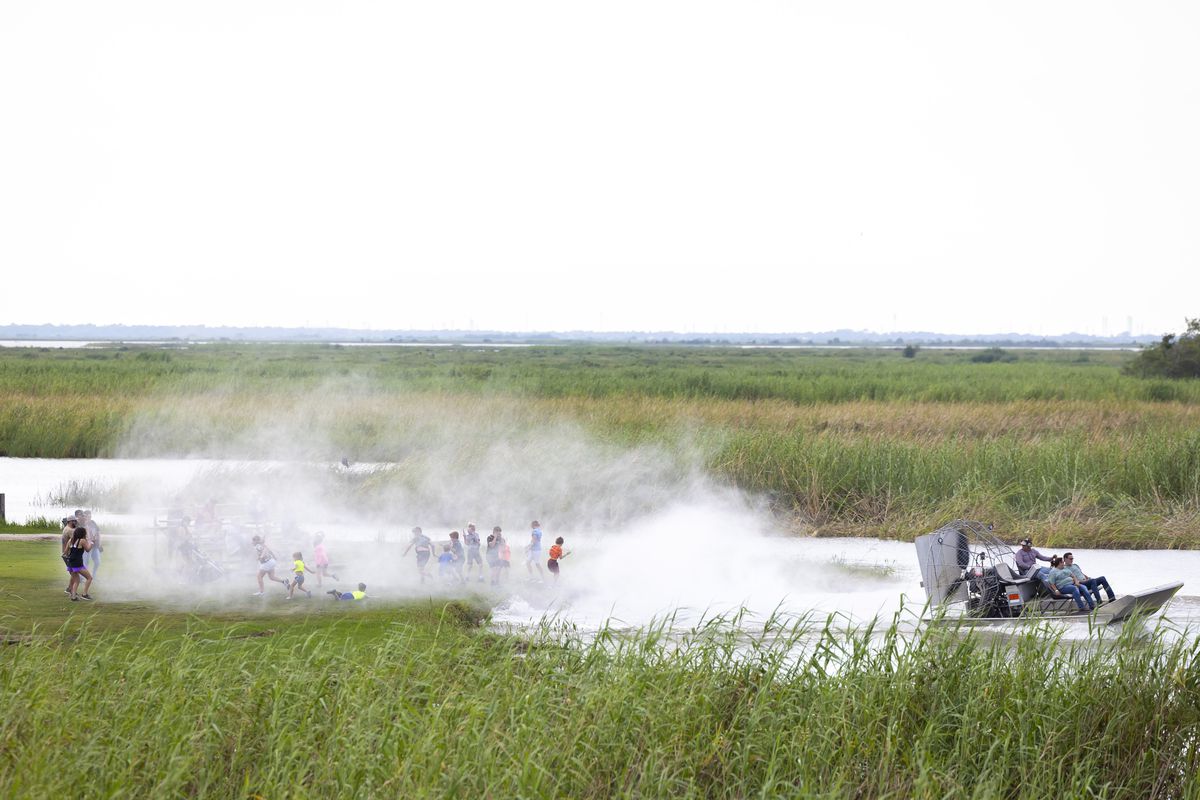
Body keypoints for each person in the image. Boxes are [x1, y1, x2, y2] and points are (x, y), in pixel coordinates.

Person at [63, 527, 94, 601]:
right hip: (78, 563)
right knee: (89, 578)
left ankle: (73, 597)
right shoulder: (82, 541)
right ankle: (84, 594)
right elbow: (88, 549)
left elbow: (65, 552)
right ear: (83, 533)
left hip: (70, 563)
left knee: (76, 580)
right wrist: (92, 543)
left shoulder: (71, 540)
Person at [81, 510, 102, 576]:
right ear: (84, 516)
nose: (88, 517)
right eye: (86, 516)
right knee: (85, 562)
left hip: (95, 546)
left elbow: (98, 533)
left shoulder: (93, 523)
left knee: (97, 562)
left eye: (89, 516)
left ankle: (94, 575)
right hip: (87, 547)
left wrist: (99, 543)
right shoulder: (82, 525)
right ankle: (83, 577)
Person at [61, 517, 78, 594]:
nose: (75, 522)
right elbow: (76, 542)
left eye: (75, 521)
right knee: (75, 575)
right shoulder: (70, 530)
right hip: (69, 555)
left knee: (74, 573)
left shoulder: (66, 528)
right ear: (69, 521)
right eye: (73, 521)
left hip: (66, 554)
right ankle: (73, 592)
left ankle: (69, 589)